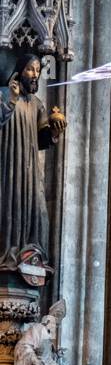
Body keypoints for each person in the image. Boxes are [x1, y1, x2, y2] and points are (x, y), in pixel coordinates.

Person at [0, 52, 65, 257]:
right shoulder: (3, 93)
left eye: (37, 70)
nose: (34, 74)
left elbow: (42, 140)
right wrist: (10, 100)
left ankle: (30, 252)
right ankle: (7, 253)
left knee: (37, 210)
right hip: (8, 163)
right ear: (19, 71)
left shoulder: (37, 104)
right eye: (30, 69)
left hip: (29, 170)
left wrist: (54, 131)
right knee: (9, 205)